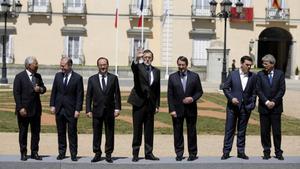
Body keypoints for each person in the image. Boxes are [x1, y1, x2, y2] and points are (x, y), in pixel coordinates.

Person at [167, 56, 203, 161]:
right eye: (179, 65)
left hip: (191, 109)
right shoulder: (172, 77)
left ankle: (192, 153)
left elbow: (200, 92)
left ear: (187, 65)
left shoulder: (195, 76)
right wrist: (172, 109)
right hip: (177, 110)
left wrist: (192, 98)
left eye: (183, 65)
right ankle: (179, 153)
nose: (181, 67)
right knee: (177, 132)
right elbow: (170, 95)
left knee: (191, 131)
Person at [86, 57, 121, 163]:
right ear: (98, 66)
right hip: (96, 111)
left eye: (104, 64)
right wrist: (88, 109)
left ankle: (108, 153)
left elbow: (117, 95)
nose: (103, 66)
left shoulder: (114, 78)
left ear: (108, 65)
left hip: (110, 111)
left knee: (110, 133)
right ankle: (97, 153)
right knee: (97, 133)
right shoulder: (92, 79)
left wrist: (117, 108)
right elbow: (88, 96)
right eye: (101, 64)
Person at [127, 49, 160, 162]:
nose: (147, 59)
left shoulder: (156, 71)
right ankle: (135, 153)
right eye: (145, 57)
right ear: (143, 58)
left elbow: (157, 89)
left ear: (152, 58)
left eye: (149, 57)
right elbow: (133, 67)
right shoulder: (138, 67)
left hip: (150, 104)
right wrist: (136, 58)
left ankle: (148, 153)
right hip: (138, 102)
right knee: (137, 129)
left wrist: (157, 104)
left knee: (149, 130)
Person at [221, 56, 257, 160]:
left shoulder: (253, 76)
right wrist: (231, 98)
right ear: (241, 64)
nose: (249, 67)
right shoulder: (233, 74)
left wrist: (252, 104)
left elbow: (254, 92)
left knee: (242, 131)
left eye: (250, 65)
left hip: (246, 108)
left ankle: (241, 152)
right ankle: (226, 152)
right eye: (247, 64)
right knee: (229, 130)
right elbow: (225, 88)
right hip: (232, 108)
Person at [50, 57, 84, 161]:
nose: (61, 67)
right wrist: (52, 105)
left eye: (63, 66)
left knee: (72, 132)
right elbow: (54, 91)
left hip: (72, 110)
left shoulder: (78, 78)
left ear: (69, 65)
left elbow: (80, 95)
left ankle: (73, 154)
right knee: (60, 132)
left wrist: (78, 110)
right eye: (61, 65)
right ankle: (61, 153)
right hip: (59, 109)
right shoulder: (58, 76)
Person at [13, 56, 46, 161]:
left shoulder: (38, 76)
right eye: (35, 63)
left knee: (36, 132)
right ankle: (23, 152)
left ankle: (34, 152)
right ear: (29, 65)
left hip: (36, 110)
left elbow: (44, 89)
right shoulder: (19, 77)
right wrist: (20, 108)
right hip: (24, 110)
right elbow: (16, 94)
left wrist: (39, 89)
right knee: (23, 132)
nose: (37, 65)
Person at [256, 54, 286, 160]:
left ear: (272, 64)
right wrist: (267, 101)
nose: (264, 65)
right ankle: (266, 151)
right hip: (264, 107)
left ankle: (278, 152)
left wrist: (273, 101)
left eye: (266, 63)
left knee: (276, 131)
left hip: (276, 107)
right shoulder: (260, 74)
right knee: (264, 131)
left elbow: (282, 90)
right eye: (263, 63)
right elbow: (258, 90)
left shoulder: (280, 74)